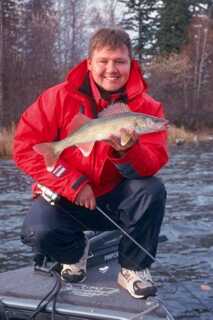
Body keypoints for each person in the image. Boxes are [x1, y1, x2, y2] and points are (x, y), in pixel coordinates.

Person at [13, 28, 168, 299]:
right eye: (104, 61)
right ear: (89, 64)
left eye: (120, 61)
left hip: (113, 201)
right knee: (37, 232)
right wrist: (74, 183)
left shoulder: (148, 108)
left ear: (131, 64)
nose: (112, 69)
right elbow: (26, 149)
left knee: (152, 189)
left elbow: (152, 165)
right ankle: (75, 252)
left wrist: (127, 152)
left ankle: (134, 268)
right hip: (67, 195)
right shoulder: (57, 98)